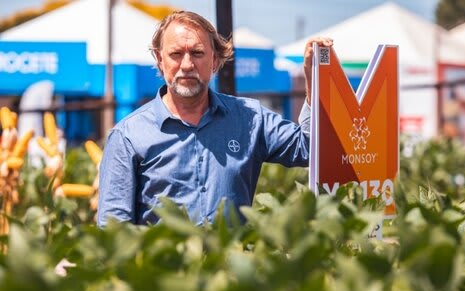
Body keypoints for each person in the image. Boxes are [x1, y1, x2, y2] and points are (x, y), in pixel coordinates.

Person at [97, 10, 333, 227]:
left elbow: (310, 148)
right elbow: (113, 230)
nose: (187, 64)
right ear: (160, 59)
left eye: (197, 53)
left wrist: (314, 81)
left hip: (230, 271)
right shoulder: (128, 136)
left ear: (216, 60)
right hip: (162, 272)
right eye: (176, 54)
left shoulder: (249, 118)